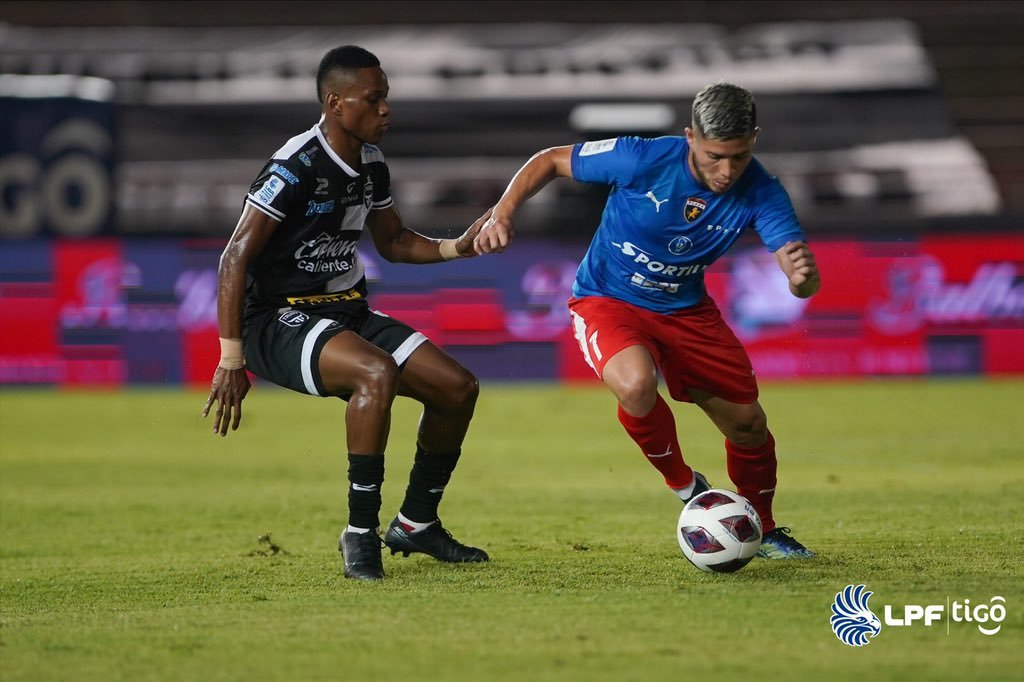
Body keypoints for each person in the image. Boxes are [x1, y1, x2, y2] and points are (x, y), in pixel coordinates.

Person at [474, 82, 820, 559]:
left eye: (737, 157)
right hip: (607, 299)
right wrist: (503, 212)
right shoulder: (642, 158)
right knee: (636, 384)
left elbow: (793, 265)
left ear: (754, 140)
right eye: (714, 156)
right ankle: (686, 486)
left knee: (747, 424)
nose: (726, 171)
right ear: (690, 137)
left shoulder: (762, 189)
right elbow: (551, 159)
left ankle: (763, 528)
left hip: (687, 311)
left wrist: (802, 280)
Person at [202, 45, 492, 581]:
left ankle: (416, 523)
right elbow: (234, 256)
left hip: (344, 313)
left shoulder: (372, 163)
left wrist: (460, 247)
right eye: (374, 99)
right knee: (375, 373)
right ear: (336, 103)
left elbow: (396, 241)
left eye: (386, 98)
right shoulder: (294, 166)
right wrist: (230, 359)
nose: (386, 109)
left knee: (457, 389)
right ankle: (359, 533)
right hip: (275, 318)